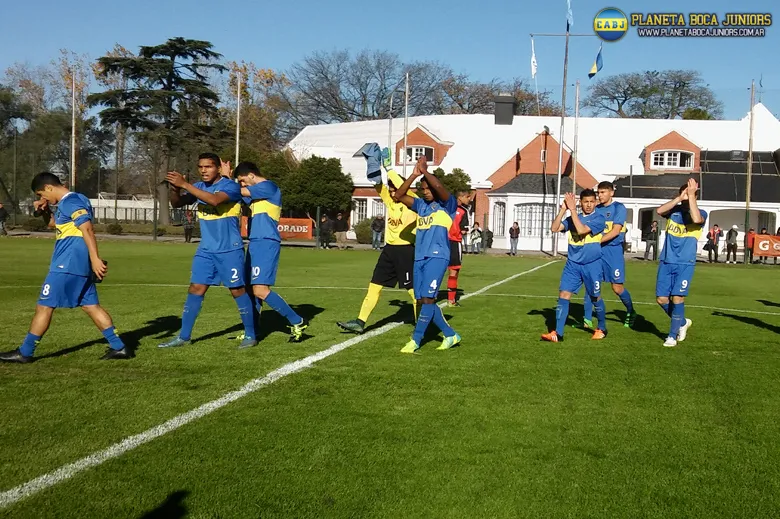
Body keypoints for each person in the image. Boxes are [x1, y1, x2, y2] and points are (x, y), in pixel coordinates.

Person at [0, 172, 130, 363]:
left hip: (67, 264)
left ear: (49, 188)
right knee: (90, 305)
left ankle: (25, 352)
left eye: (41, 195)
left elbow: (87, 228)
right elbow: (54, 224)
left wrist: (95, 258)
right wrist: (44, 211)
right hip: (77, 264)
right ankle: (119, 347)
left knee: (44, 306)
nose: (42, 198)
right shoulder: (70, 202)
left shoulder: (71, 201)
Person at [158, 153, 257, 349]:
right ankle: (184, 337)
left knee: (237, 290)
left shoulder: (230, 186)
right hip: (206, 249)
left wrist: (185, 185)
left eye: (209, 166)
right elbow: (177, 204)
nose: (204, 170)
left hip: (229, 249)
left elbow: (214, 201)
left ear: (218, 169)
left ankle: (251, 335)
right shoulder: (199, 187)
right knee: (195, 288)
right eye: (201, 167)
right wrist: (175, 189)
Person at [337, 145, 417, 334]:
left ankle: (421, 323)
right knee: (374, 286)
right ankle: (360, 322)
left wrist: (389, 168)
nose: (391, 193)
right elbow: (377, 184)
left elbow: (403, 188)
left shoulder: (413, 202)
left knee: (413, 291)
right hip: (389, 251)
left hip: (406, 251)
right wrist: (373, 164)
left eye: (395, 189)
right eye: (390, 190)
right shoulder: (390, 201)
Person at [234, 162, 308, 343]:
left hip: (266, 243)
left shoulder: (268, 186)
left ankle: (297, 321)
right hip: (255, 243)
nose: (242, 184)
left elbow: (238, 192)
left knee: (260, 290)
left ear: (251, 175)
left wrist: (228, 180)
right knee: (250, 291)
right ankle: (253, 331)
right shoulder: (256, 195)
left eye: (243, 180)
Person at [393, 156, 461, 353]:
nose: (425, 191)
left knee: (429, 299)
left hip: (437, 257)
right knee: (422, 300)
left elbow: (439, 186)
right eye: (422, 189)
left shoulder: (448, 205)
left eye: (427, 188)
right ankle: (450, 335)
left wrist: (425, 172)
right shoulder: (421, 206)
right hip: (419, 257)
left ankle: (416, 340)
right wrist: (414, 174)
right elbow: (398, 195)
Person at [541, 190, 607, 343]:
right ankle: (558, 333)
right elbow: (554, 228)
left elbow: (582, 230)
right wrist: (563, 209)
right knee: (563, 295)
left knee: (595, 297)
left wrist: (572, 210)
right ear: (581, 203)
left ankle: (602, 328)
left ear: (596, 202)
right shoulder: (572, 218)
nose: (589, 205)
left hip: (592, 264)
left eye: (592, 201)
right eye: (585, 202)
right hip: (573, 264)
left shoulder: (599, 218)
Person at [655, 179, 707, 347]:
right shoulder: (674, 210)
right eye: (684, 193)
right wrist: (679, 198)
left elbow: (696, 219)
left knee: (677, 298)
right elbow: (659, 210)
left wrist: (691, 196)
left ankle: (671, 335)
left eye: (690, 194)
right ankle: (682, 322)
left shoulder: (702, 213)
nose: (686, 197)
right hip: (666, 261)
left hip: (685, 263)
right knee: (662, 299)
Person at [581, 181, 637, 330]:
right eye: (598, 193)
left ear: (611, 193)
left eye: (603, 192)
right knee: (590, 285)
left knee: (617, 288)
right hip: (597, 252)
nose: (599, 196)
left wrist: (595, 241)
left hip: (613, 251)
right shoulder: (596, 209)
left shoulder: (619, 208)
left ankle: (631, 312)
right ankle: (587, 320)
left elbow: (615, 231)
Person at [446, 190, 474, 307]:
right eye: (467, 197)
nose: (469, 199)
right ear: (461, 197)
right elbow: (463, 230)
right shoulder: (463, 211)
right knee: (454, 271)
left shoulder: (445, 208)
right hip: (454, 242)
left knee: (436, 269)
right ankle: (451, 300)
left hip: (441, 241)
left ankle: (427, 297)